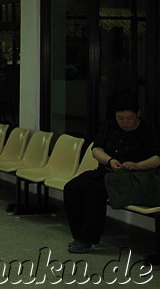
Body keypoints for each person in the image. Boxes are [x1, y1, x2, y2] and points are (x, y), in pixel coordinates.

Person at [63, 95, 160, 253]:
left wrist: (138, 165)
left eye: (129, 118)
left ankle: (88, 239)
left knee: (96, 194)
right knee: (72, 188)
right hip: (106, 171)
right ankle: (79, 234)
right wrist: (110, 160)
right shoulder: (109, 127)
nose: (124, 122)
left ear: (138, 114)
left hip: (132, 177)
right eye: (120, 118)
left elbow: (157, 158)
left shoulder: (149, 131)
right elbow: (96, 150)